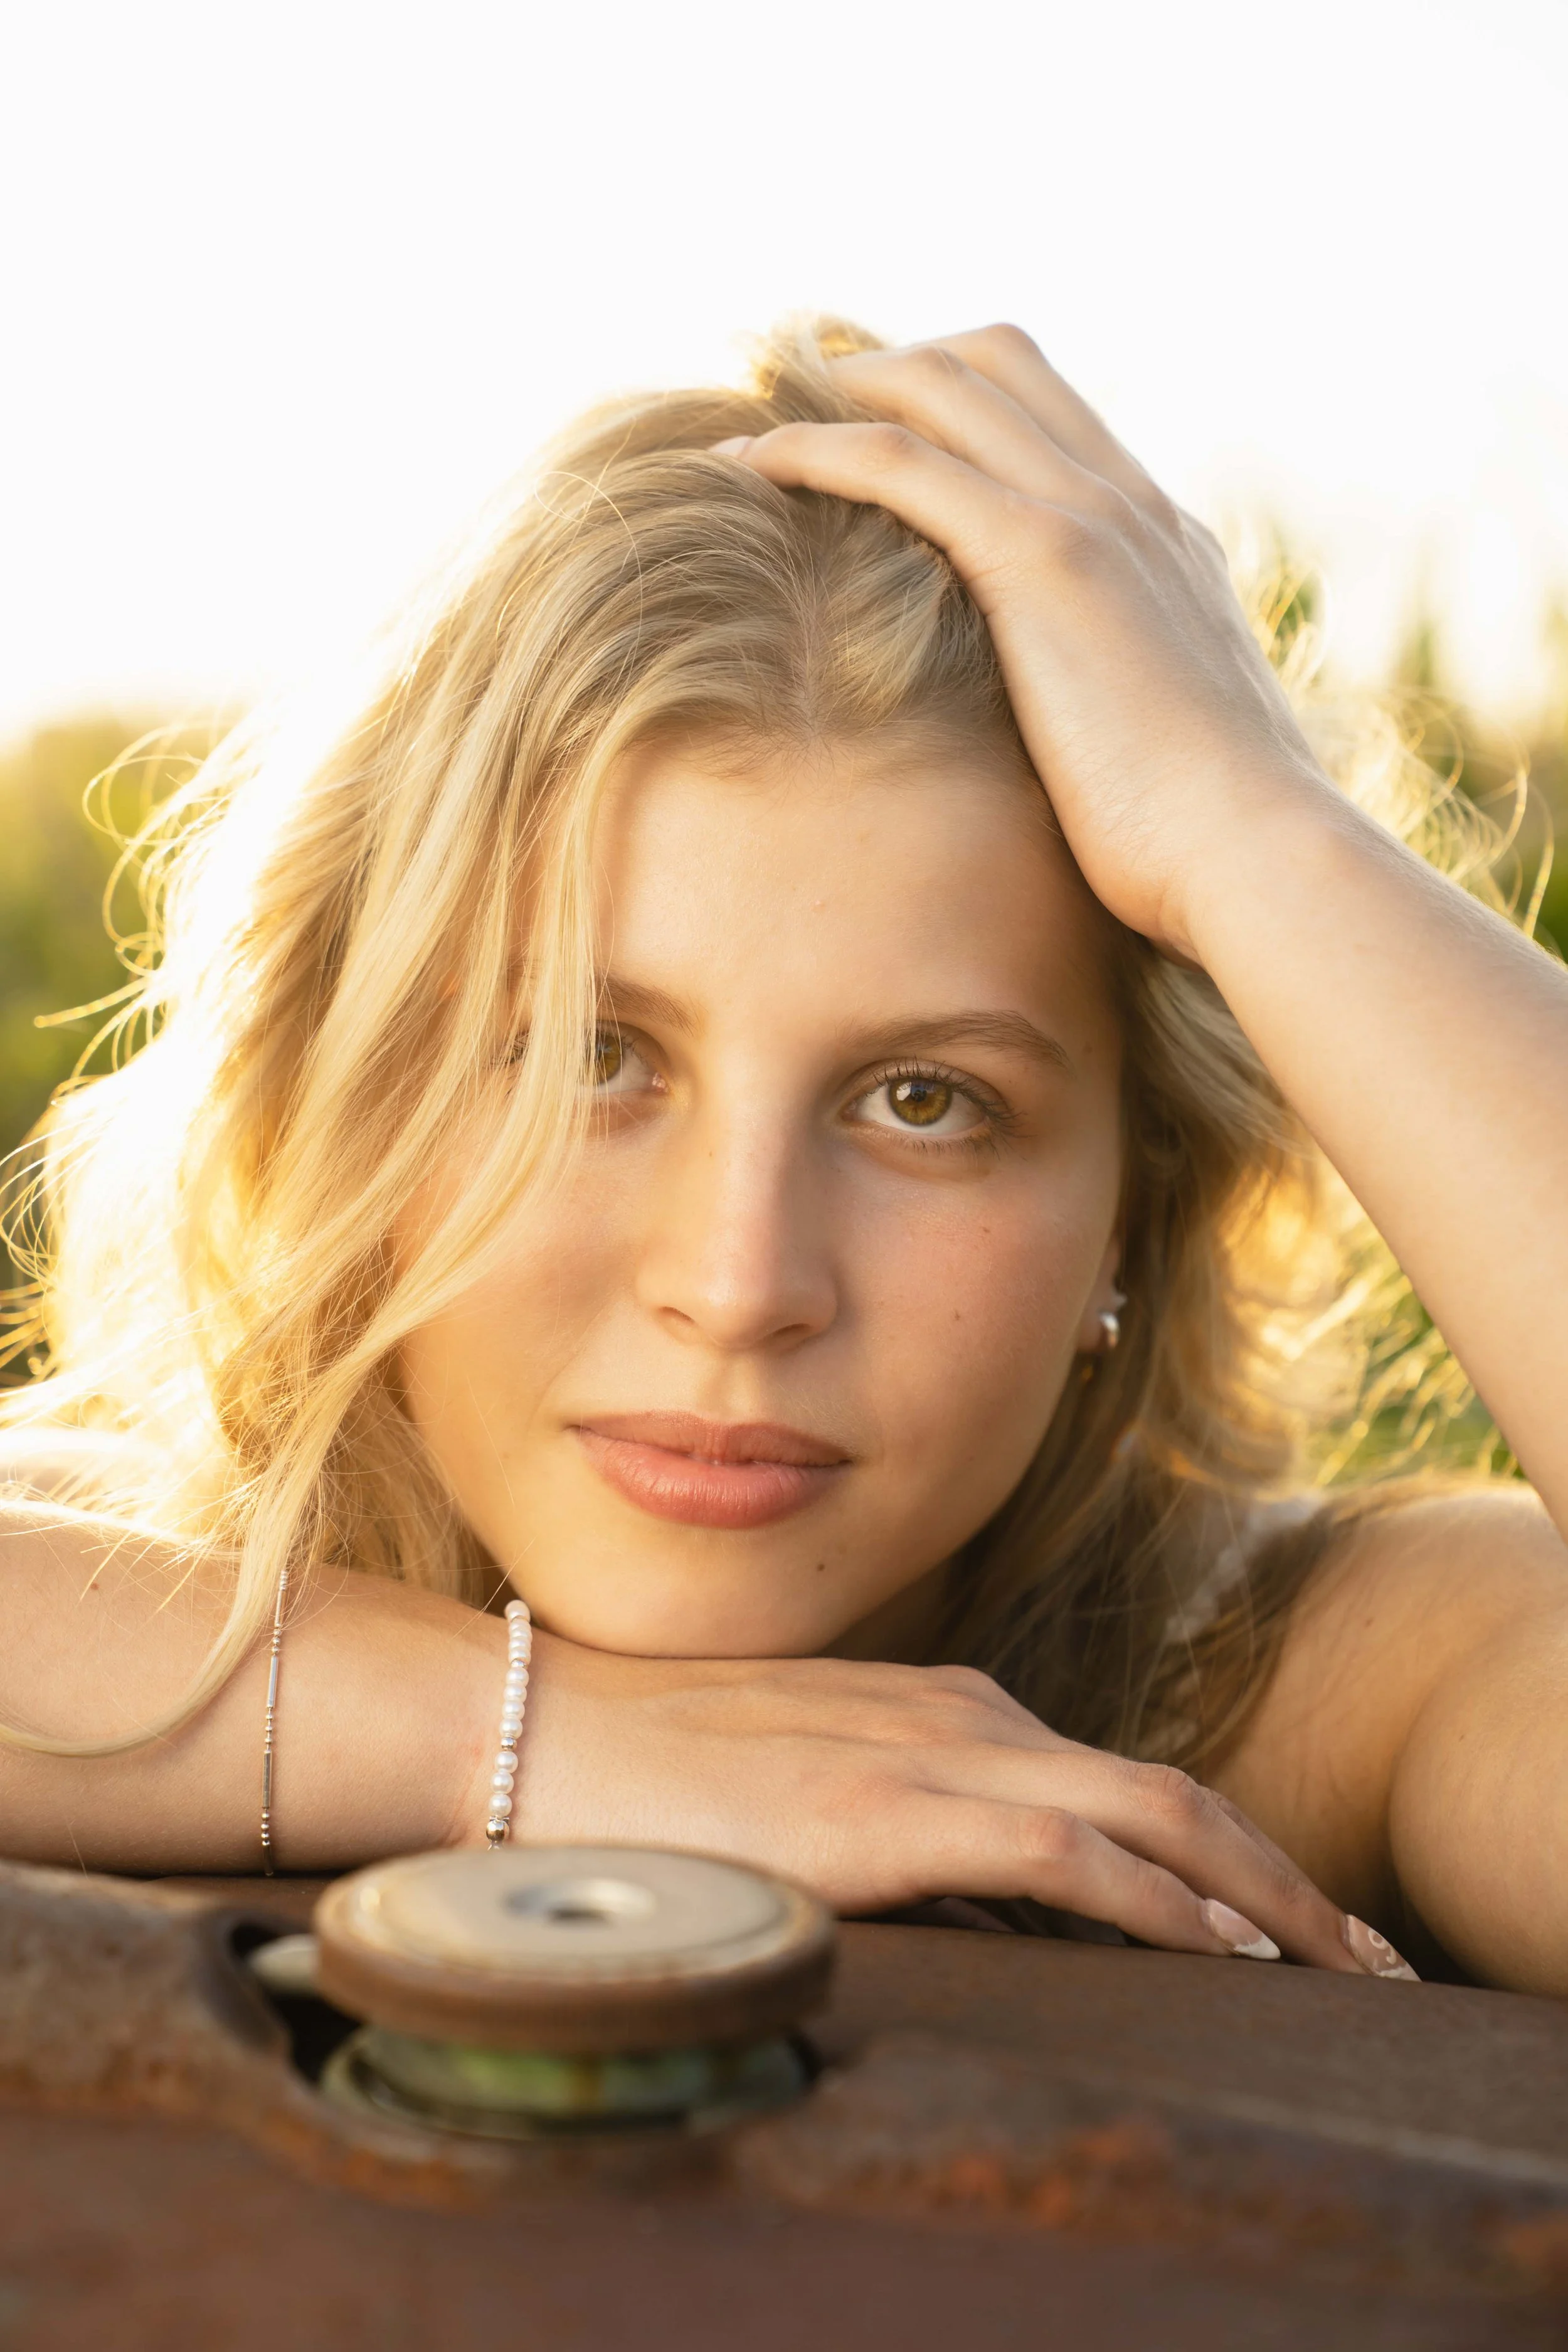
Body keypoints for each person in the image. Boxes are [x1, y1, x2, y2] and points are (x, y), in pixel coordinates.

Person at [4, 319, 1567, 1996]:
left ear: (1136, 1203)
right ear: (345, 1092)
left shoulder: (1337, 1681)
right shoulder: (124, 1567)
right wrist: (531, 1738)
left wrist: (1251, 833)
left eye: (922, 1100)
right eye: (581, 1055)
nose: (737, 1284)